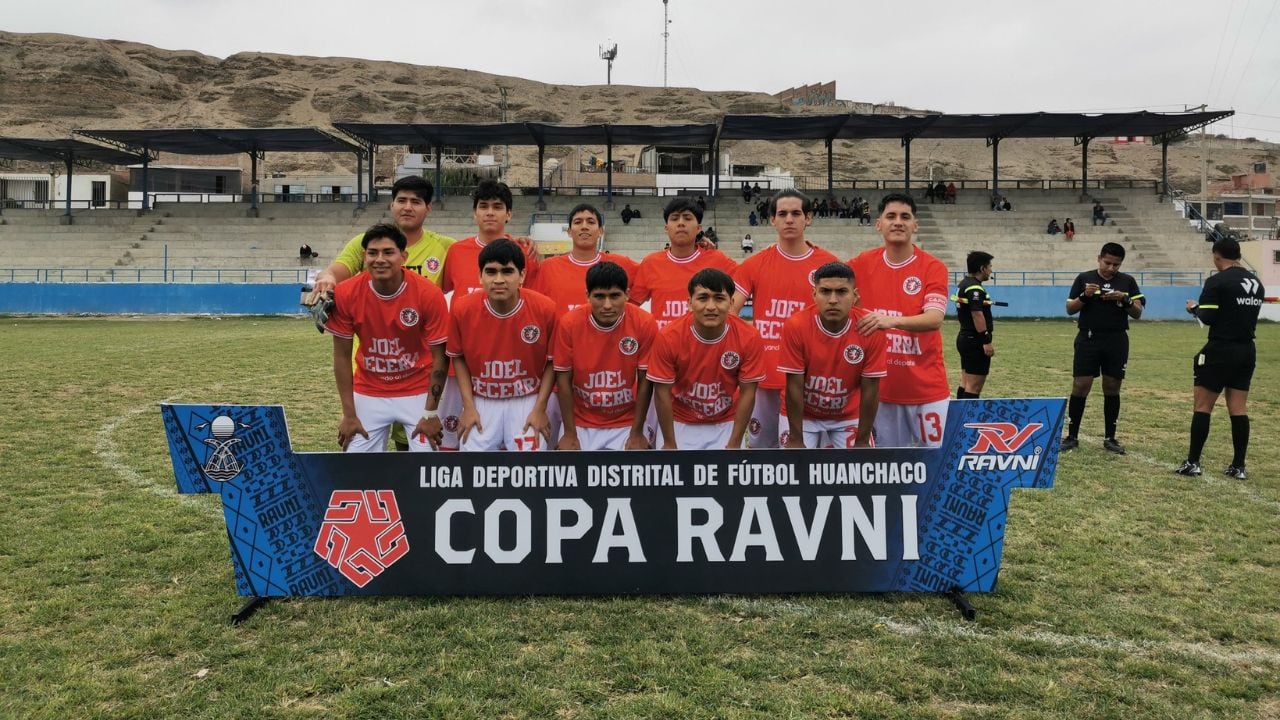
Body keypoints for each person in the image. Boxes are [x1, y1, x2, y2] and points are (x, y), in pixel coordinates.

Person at [309, 175, 454, 452]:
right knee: (356, 462)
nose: (380, 259)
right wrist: (349, 414)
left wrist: (431, 412)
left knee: (425, 462)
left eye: (388, 252)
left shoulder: (439, 263)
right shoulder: (352, 284)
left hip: (416, 383)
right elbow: (339, 354)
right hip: (370, 383)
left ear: (404, 256)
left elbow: (482, 255)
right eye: (401, 200)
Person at [438, 180, 543, 449]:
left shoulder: (524, 253)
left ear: (509, 214)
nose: (490, 213)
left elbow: (529, 306)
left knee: (514, 445)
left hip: (511, 370)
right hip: (462, 367)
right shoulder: (457, 251)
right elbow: (442, 294)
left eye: (497, 207)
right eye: (483, 206)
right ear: (474, 212)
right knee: (455, 438)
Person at [731, 189, 839, 448]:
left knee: (806, 456)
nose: (789, 219)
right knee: (762, 450)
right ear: (772, 220)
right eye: (782, 214)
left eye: (796, 213)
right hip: (765, 375)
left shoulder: (828, 265)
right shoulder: (755, 264)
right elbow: (730, 312)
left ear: (808, 218)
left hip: (811, 378)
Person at [849, 192, 950, 447]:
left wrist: (890, 321)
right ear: (878, 224)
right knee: (889, 470)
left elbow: (935, 318)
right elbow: (829, 285)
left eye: (905, 217)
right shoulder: (861, 263)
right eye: (890, 216)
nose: (898, 222)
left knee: (935, 466)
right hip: (881, 392)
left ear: (915, 225)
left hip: (927, 389)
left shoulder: (932, 267)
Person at [447, 239, 558, 452]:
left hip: (527, 400)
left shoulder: (545, 309)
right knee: (474, 472)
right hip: (481, 400)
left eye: (507, 272)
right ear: (480, 276)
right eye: (491, 272)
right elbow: (457, 356)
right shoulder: (463, 309)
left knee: (530, 475)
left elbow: (552, 363)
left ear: (522, 276)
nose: (499, 280)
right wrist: (468, 406)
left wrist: (540, 408)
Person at [1173, 237, 1265, 479]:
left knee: (1203, 406)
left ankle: (1193, 462)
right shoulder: (1256, 282)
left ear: (1216, 256)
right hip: (1246, 350)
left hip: (1220, 348)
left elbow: (1209, 317)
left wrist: (1194, 308)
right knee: (1238, 408)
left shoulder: (1217, 281)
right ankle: (1238, 466)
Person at [647, 268, 765, 449]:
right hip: (679, 422)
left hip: (726, 422)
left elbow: (748, 392)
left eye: (719, 298)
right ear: (689, 303)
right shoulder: (669, 337)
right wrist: (670, 442)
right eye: (703, 298)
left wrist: (734, 443)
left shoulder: (749, 336)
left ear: (731, 302)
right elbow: (662, 392)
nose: (711, 306)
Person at [778, 262, 886, 448]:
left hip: (848, 415)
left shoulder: (870, 329)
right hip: (803, 415)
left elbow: (871, 389)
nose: (833, 299)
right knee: (796, 473)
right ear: (814, 295)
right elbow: (794, 385)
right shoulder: (796, 326)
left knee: (858, 474)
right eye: (825, 291)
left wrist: (862, 440)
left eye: (842, 292)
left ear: (855, 296)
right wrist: (796, 439)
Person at [554, 262, 659, 451]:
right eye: (599, 297)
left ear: (627, 294)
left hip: (627, 420)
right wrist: (570, 433)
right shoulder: (569, 323)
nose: (607, 305)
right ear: (587, 296)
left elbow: (645, 381)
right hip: (580, 420)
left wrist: (636, 433)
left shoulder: (644, 322)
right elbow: (563, 380)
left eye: (615, 296)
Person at [1061, 242, 1144, 454]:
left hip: (1116, 339)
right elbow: (1070, 309)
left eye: (1116, 264)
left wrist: (1124, 299)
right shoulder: (1084, 278)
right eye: (1107, 263)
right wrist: (1085, 296)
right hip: (1088, 338)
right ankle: (1072, 436)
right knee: (1081, 385)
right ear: (1099, 258)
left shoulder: (1127, 281)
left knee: (1112, 386)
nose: (1111, 268)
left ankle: (1110, 437)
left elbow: (1137, 312)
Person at [630, 197, 737, 330]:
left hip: (705, 345)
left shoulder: (718, 260)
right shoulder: (651, 263)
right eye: (674, 218)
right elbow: (632, 306)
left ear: (698, 228)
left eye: (687, 218)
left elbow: (748, 280)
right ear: (666, 228)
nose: (681, 223)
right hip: (664, 346)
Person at [532, 203, 639, 315]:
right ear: (569, 231)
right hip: (563, 332)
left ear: (600, 231)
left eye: (591, 222)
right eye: (578, 222)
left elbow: (649, 275)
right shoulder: (549, 267)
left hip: (606, 332)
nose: (584, 226)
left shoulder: (621, 263)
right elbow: (535, 305)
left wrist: (627, 307)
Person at [954, 251, 995, 399]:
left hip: (965, 338)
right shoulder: (974, 288)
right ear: (982, 268)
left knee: (965, 382)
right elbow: (977, 314)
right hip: (975, 341)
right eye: (990, 266)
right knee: (974, 387)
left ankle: (959, 419)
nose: (991, 270)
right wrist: (986, 340)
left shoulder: (964, 283)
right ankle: (967, 421)